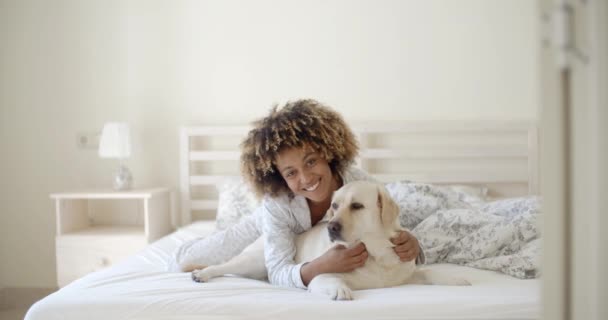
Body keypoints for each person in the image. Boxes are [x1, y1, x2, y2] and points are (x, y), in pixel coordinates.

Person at [169, 99, 423, 288]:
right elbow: (277, 270)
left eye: (311, 162)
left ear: (328, 152)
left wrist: (413, 244)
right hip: (263, 226)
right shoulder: (276, 205)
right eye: (291, 173)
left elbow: (390, 224)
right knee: (185, 260)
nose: (306, 178)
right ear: (277, 177)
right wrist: (318, 267)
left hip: (305, 243)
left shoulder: (358, 184)